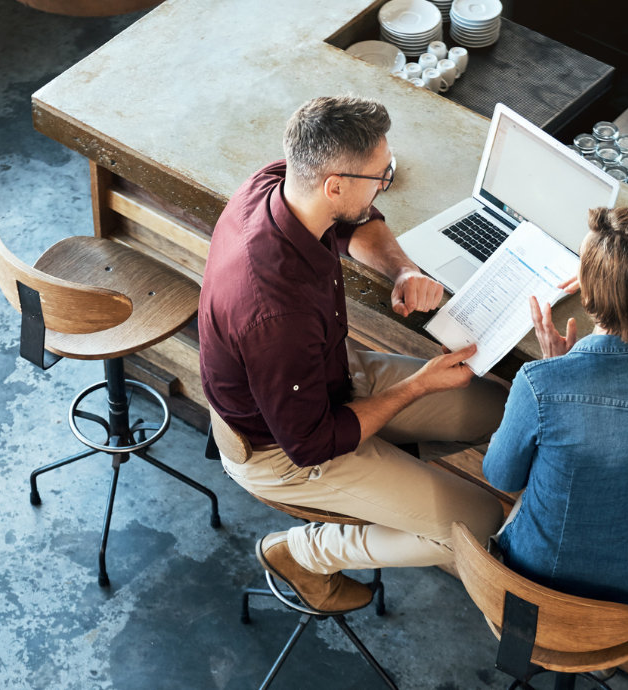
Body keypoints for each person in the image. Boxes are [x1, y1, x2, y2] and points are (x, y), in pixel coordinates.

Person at [199, 96, 508, 613]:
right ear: (334, 184)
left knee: (495, 410)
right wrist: (417, 387)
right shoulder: (277, 314)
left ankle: (385, 468)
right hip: (284, 449)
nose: (385, 183)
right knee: (480, 523)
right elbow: (312, 443)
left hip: (328, 377)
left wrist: (404, 270)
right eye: (379, 176)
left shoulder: (278, 182)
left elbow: (353, 221)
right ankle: (304, 554)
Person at [484, 206, 628, 634]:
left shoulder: (539, 384)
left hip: (530, 596)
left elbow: (501, 476)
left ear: (587, 296)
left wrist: (559, 370)